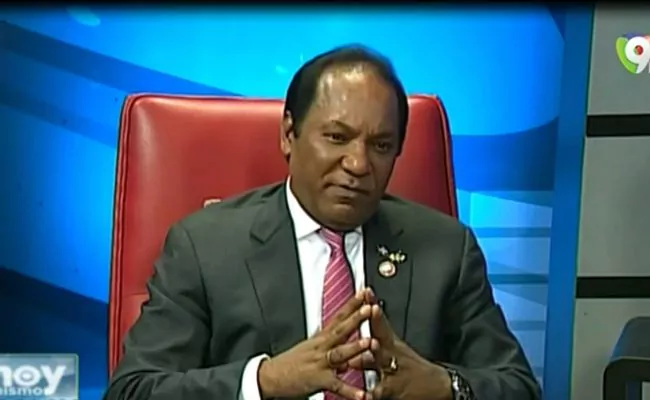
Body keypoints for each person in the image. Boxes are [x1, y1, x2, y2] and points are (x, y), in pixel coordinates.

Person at [104, 45, 541, 400]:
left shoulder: (445, 249)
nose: (358, 164)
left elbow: (518, 387)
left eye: (381, 145)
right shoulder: (204, 246)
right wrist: (265, 380)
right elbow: (133, 390)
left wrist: (446, 387)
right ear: (288, 135)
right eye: (336, 137)